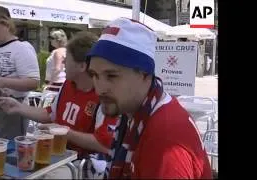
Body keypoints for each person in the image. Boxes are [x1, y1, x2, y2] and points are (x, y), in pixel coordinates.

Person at [86, 17, 212, 179]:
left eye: (111, 76)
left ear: (145, 74)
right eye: (94, 75)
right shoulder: (139, 111)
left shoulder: (164, 141)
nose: (100, 89)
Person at [0, 31, 117, 179]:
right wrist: (17, 107)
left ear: (82, 66)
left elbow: (103, 144)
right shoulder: (68, 85)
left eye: (67, 58)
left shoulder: (104, 96)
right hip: (58, 156)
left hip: (84, 164)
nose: (63, 62)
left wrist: (63, 131)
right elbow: (50, 114)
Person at [0, 5, 40, 140]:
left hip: (9, 109)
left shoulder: (22, 48)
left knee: (5, 153)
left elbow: (33, 83)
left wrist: (4, 81)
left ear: (6, 24)